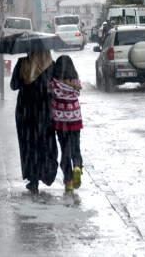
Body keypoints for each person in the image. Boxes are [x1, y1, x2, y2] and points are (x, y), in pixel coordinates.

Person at [10, 43, 58, 194]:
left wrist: (26, 76)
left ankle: (33, 178)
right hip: (45, 111)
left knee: (29, 145)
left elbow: (13, 85)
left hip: (25, 111)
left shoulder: (22, 63)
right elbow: (56, 88)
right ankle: (47, 172)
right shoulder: (51, 66)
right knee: (46, 143)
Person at [49, 55, 84, 193]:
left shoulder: (54, 83)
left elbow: (49, 94)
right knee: (76, 146)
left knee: (64, 149)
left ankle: (68, 180)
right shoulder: (76, 83)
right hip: (75, 119)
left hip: (60, 121)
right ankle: (77, 166)